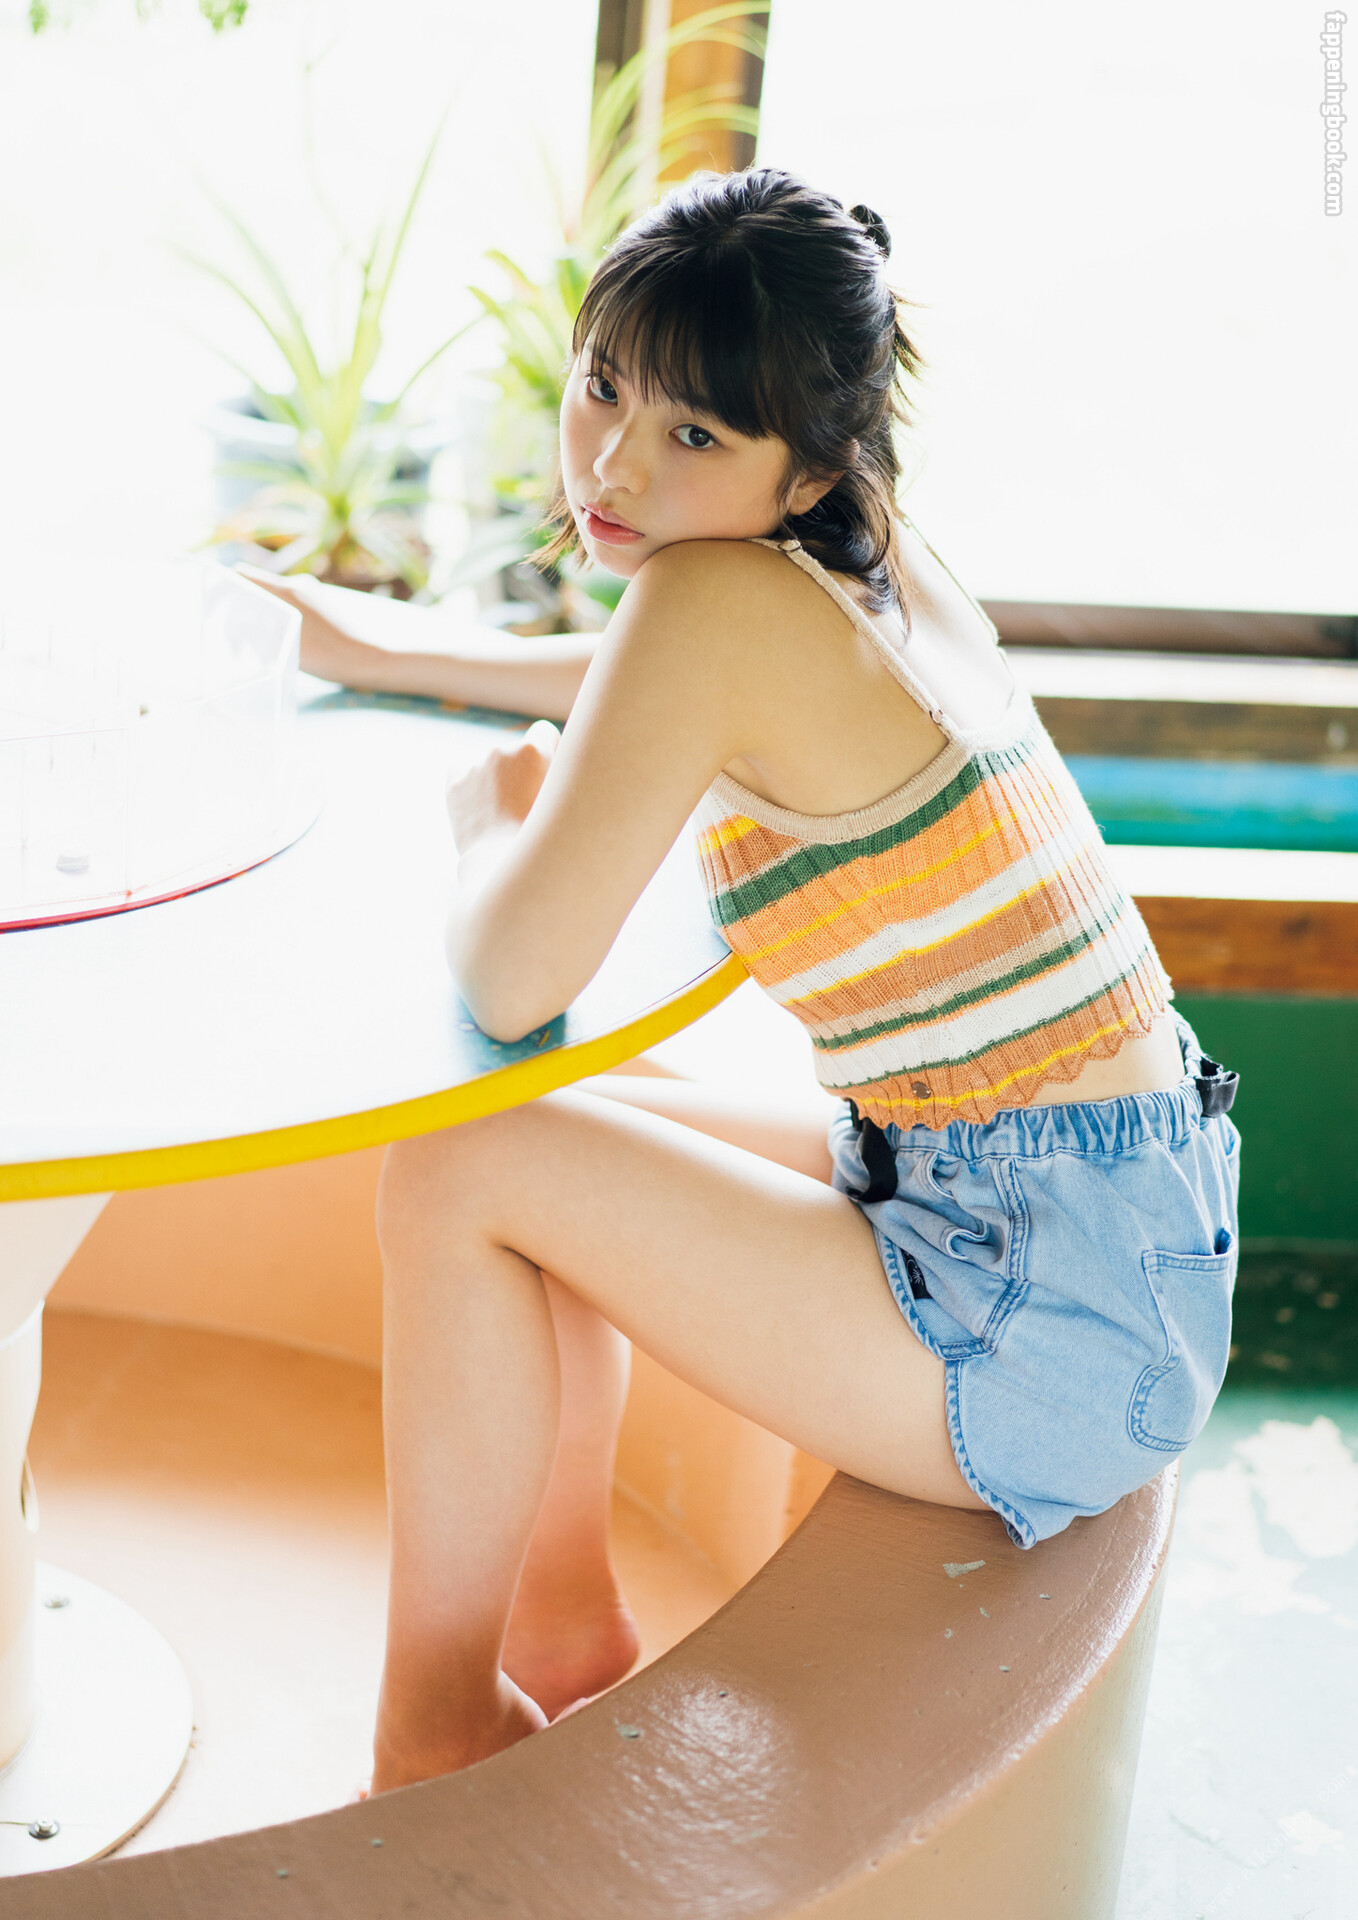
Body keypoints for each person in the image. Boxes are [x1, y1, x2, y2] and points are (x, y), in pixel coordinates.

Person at [248, 169, 1240, 1796]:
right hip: (1101, 1224)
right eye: (602, 390)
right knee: (546, 1122)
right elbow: (655, 675)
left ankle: (433, 1725)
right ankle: (561, 1625)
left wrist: (487, 834)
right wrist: (384, 646)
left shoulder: (711, 599)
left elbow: (510, 974)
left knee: (459, 1160)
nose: (614, 466)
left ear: (810, 465)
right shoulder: (873, 557)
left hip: (1029, 1317)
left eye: (693, 434)